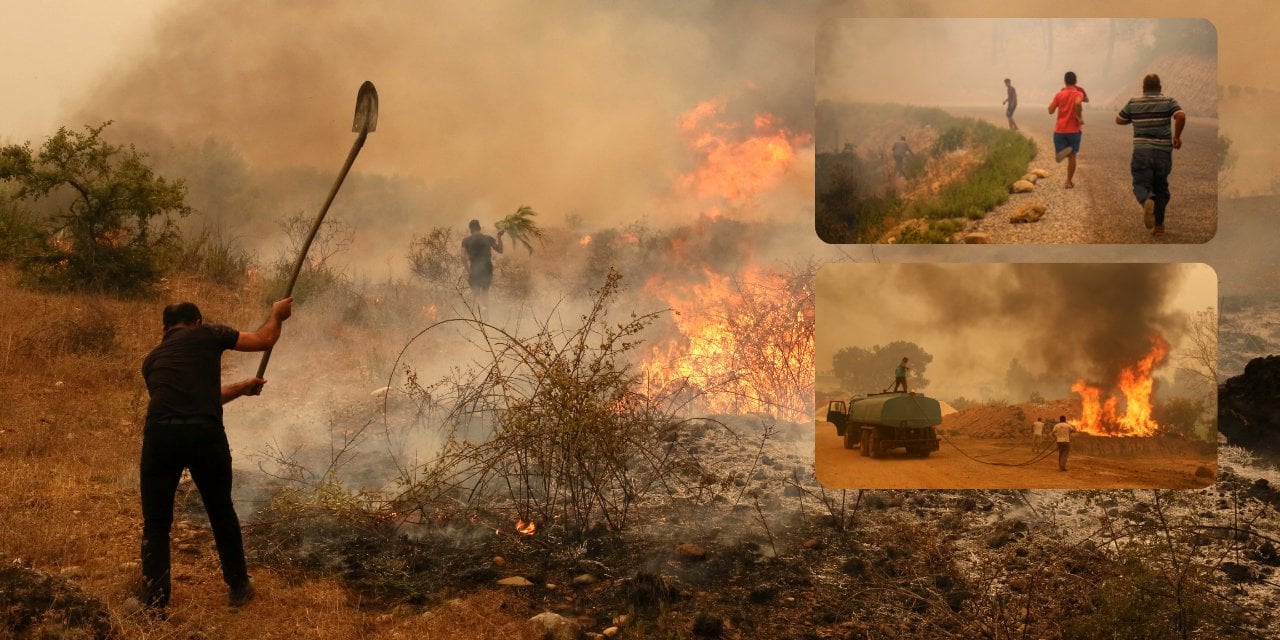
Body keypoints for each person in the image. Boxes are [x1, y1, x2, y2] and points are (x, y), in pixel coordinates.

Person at [138, 297, 293, 611]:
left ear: (164, 329)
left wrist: (242, 387)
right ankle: (238, 587)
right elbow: (265, 340)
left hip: (160, 434)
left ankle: (155, 602)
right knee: (221, 511)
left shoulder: (152, 359)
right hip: (204, 433)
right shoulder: (208, 333)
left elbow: (192, 398)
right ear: (197, 321)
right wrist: (277, 315)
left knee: (156, 522)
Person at [1115, 74, 1186, 236]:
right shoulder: (1169, 101)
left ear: (1143, 88)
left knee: (1140, 184)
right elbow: (1180, 116)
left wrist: (1134, 118)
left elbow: (1119, 120)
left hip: (1142, 151)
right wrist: (1177, 137)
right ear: (1160, 88)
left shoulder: (1134, 102)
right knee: (1161, 187)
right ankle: (1159, 226)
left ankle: (1147, 199)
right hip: (1163, 152)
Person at [1048, 71, 1089, 188]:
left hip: (1060, 130)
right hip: (1074, 131)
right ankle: (1068, 182)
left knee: (1060, 154)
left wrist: (1055, 104)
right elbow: (1077, 103)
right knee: (1072, 157)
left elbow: (1050, 110)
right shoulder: (1078, 93)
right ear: (1075, 81)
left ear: (1065, 81)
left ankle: (1062, 153)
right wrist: (1079, 117)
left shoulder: (1059, 94)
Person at [461, 219, 505, 309]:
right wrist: (499, 236)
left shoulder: (466, 241)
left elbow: (462, 256)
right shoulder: (488, 238)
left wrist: (467, 270)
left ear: (471, 229)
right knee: (485, 293)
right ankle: (486, 316)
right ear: (480, 228)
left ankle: (481, 310)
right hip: (487, 268)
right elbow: (500, 250)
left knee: (476, 293)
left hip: (474, 269)